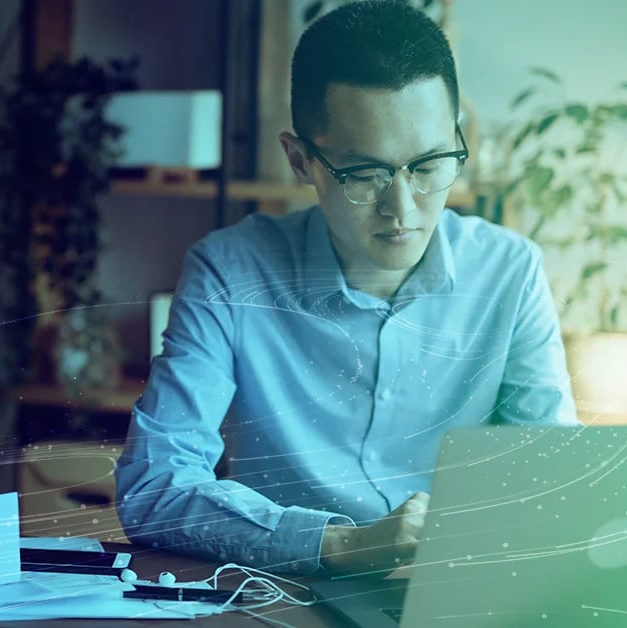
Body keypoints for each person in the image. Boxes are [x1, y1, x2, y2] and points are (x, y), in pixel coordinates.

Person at [114, 0, 578, 577]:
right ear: (300, 160)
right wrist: (339, 545)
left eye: (430, 164)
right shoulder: (230, 272)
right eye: (365, 174)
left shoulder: (509, 270)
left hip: (453, 594)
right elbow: (155, 489)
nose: (402, 209)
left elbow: (555, 476)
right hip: (286, 596)